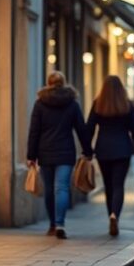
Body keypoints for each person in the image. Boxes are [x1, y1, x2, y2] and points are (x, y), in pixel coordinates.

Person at [27, 71, 93, 239]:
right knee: (62, 188)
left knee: (49, 190)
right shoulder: (72, 103)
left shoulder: (40, 103)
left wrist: (31, 156)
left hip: (45, 152)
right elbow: (81, 129)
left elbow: (34, 131)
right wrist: (88, 151)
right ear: (64, 83)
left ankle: (52, 224)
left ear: (48, 83)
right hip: (66, 152)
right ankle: (60, 223)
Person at [87, 76, 134, 237]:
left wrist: (87, 150)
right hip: (123, 149)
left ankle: (110, 216)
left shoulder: (98, 104)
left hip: (103, 149)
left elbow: (89, 127)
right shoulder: (127, 104)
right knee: (118, 184)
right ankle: (115, 215)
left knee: (108, 186)